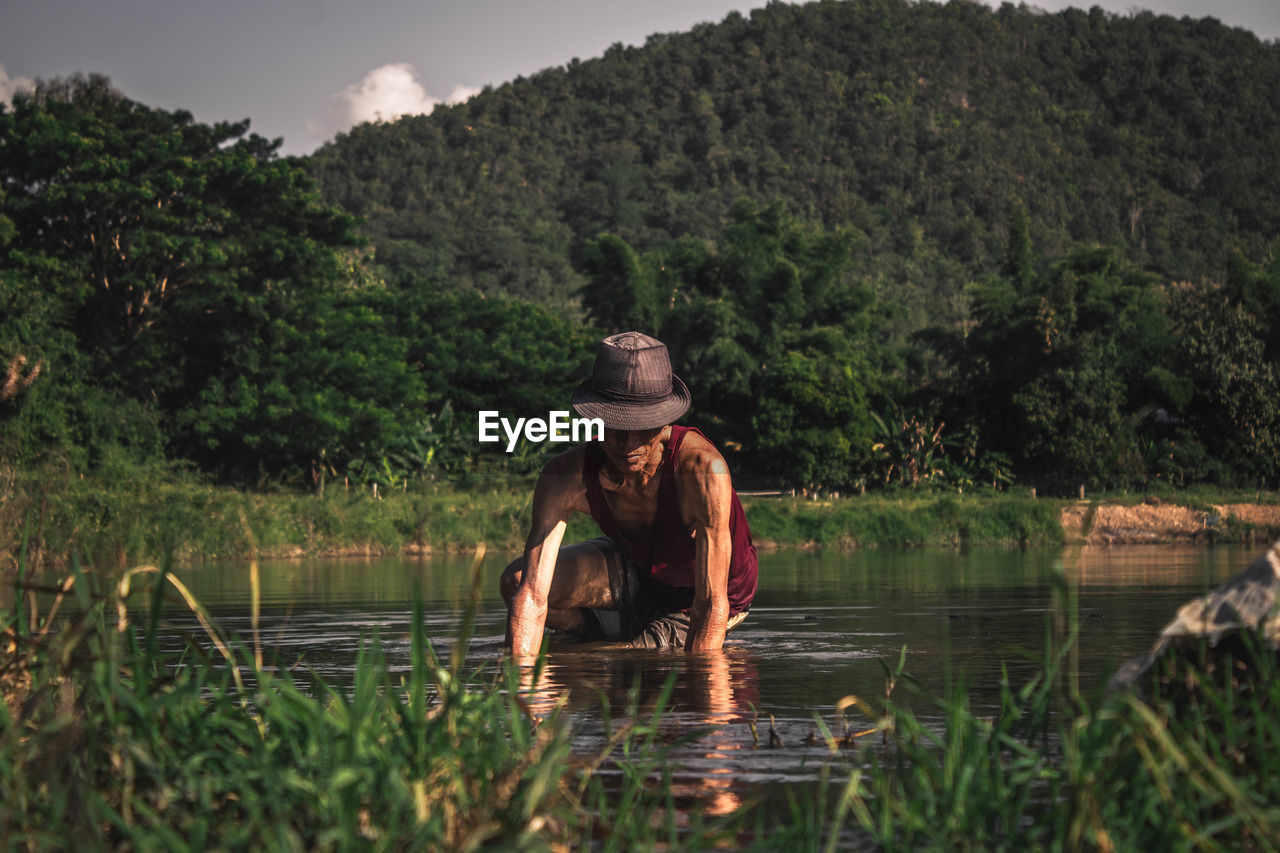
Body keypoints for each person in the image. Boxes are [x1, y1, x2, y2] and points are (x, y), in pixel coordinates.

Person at [502, 331, 758, 657]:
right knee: (515, 581)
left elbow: (710, 603)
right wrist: (520, 688)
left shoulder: (702, 470)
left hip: (702, 594)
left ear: (665, 419)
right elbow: (533, 596)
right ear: (596, 419)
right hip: (641, 571)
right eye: (617, 428)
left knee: (621, 660)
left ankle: (619, 644)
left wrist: (702, 692)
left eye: (644, 428)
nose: (629, 446)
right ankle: (598, 628)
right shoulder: (564, 476)